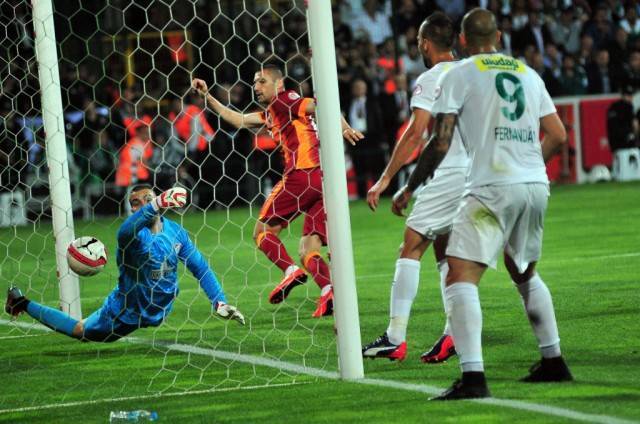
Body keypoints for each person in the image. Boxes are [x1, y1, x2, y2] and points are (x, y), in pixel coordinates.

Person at [393, 8, 572, 400]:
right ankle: (554, 360)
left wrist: (409, 187)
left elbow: (440, 141)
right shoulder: (528, 73)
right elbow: (558, 135)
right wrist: (528, 167)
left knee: (459, 275)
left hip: (492, 185)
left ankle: (473, 378)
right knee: (523, 271)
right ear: (499, 37)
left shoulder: (460, 73)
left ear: (462, 40)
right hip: (534, 185)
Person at [191, 65, 363, 317]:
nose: (256, 87)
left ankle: (290, 271)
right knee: (308, 248)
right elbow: (238, 119)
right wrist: (207, 96)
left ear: (278, 84)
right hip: (322, 181)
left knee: (262, 232)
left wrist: (344, 127)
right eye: (254, 82)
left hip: (301, 174)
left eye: (262, 81)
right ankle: (329, 292)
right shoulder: (273, 111)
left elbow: (321, 104)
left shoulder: (285, 100)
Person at [5, 185, 245, 342]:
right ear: (133, 209)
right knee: (82, 331)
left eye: (147, 199)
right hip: (125, 310)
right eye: (136, 202)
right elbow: (125, 230)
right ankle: (21, 302)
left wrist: (219, 301)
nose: (143, 204)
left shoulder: (176, 233)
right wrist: (157, 204)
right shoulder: (132, 237)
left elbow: (200, 268)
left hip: (160, 307)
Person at [362, 12, 467, 364]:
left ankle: (395, 338)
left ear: (424, 43)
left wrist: (387, 179)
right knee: (446, 252)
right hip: (477, 176)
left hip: (449, 173)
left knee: (410, 247)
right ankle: (453, 335)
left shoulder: (431, 78)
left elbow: (416, 133)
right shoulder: (471, 72)